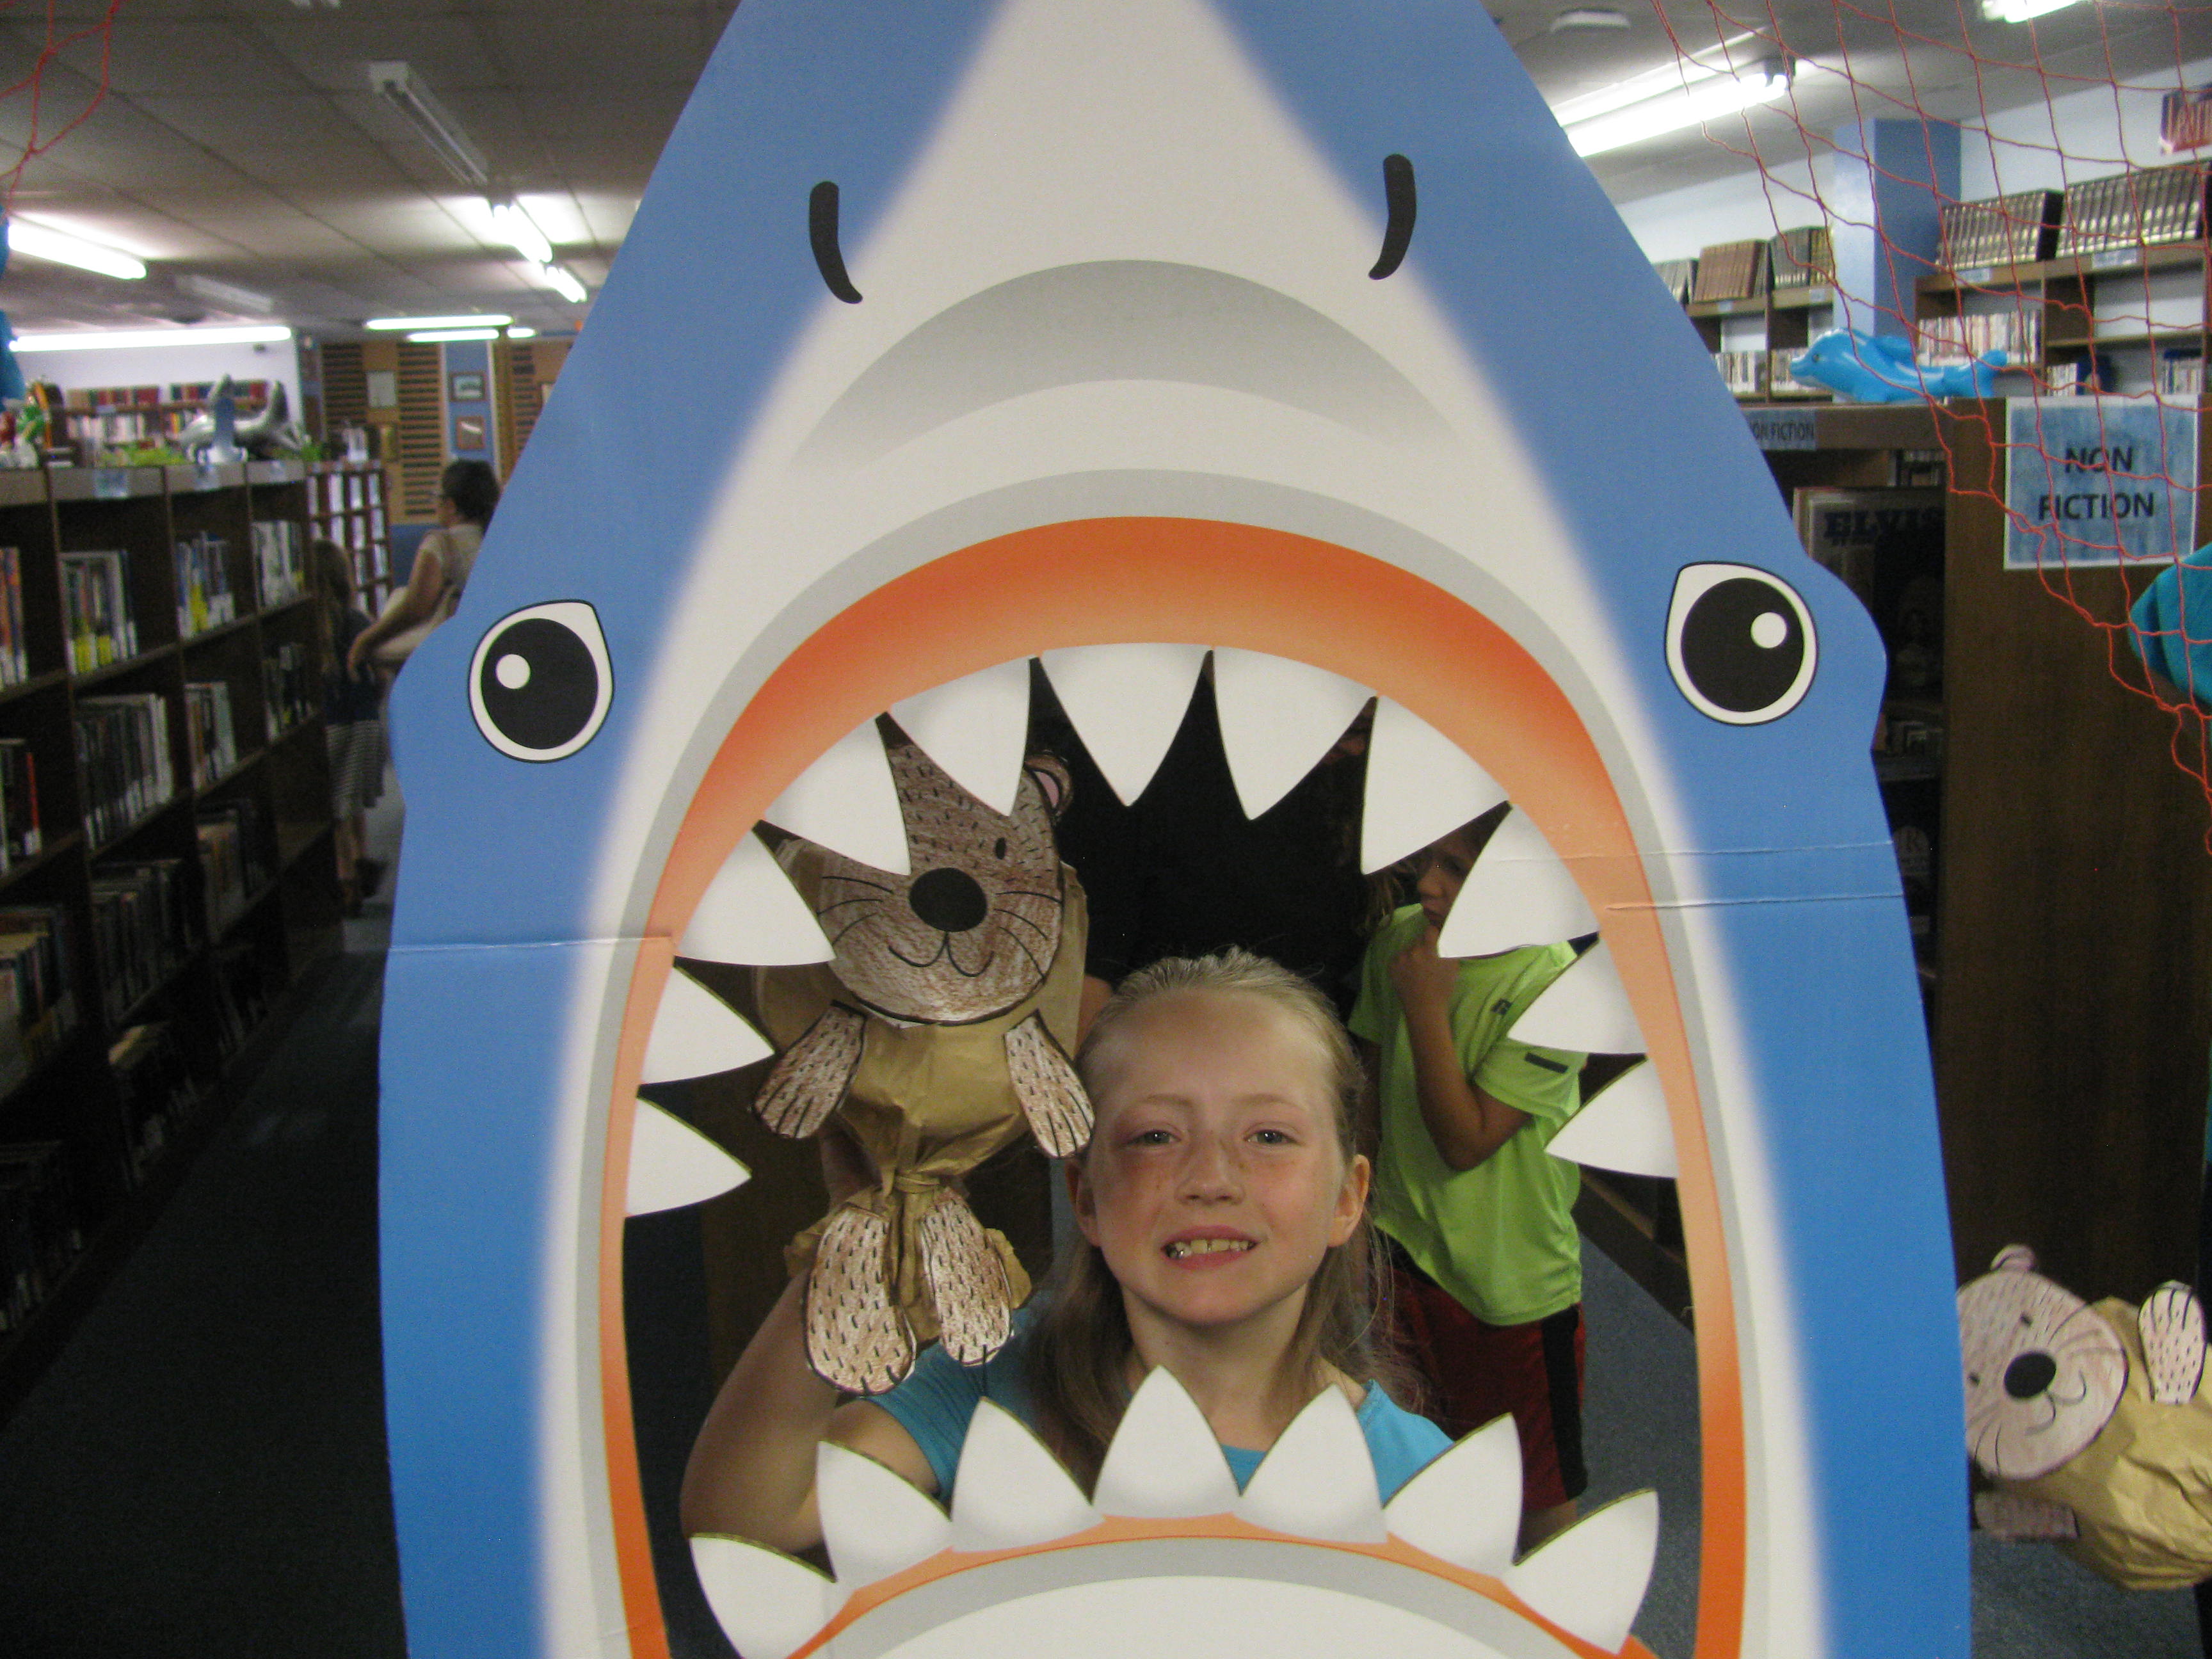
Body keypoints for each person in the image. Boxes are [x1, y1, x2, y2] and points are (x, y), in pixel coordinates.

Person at [680, 949, 1447, 1548]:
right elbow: (747, 1519)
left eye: (1269, 1136)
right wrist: (853, 1239)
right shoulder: (993, 1388)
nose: (1211, 1179)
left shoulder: (1420, 1484)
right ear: (1085, 1198)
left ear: (1347, 1198)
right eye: (1155, 1137)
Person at [1348, 810, 1588, 1553]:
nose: (1428, 884)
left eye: (1456, 869)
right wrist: (1355, 1221)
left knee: (1534, 1491)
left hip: (1509, 1284)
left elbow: (1466, 1140)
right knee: (1414, 1464)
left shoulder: (1555, 983)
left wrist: (1426, 1005)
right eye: (1429, 860)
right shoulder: (1402, 942)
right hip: (1401, 1254)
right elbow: (1368, 1094)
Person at [346, 458, 499, 677]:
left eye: (436, 497)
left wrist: (365, 640)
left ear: (451, 505)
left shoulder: (442, 544)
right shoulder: (501, 540)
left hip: (458, 656)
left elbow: (416, 608)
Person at [314, 540, 385, 915]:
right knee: (353, 798)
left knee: (333, 807)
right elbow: (382, 672)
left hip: (332, 724)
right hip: (367, 723)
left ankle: (345, 880)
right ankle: (362, 858)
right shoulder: (360, 621)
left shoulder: (311, 627)